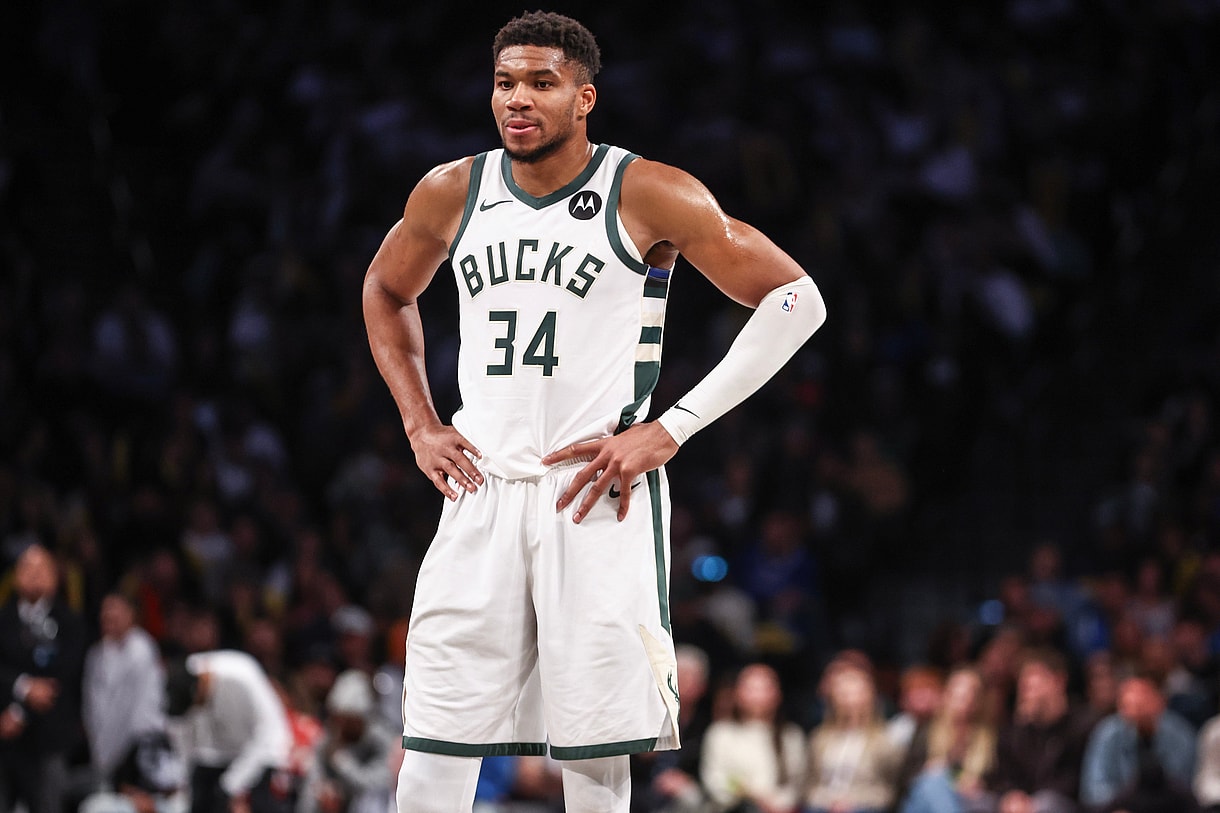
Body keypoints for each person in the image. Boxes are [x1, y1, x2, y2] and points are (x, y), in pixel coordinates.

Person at [361, 11, 825, 813]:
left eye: (541, 83)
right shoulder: (452, 190)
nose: (518, 99)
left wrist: (671, 428)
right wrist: (419, 422)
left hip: (593, 494)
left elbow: (796, 298)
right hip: (480, 488)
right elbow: (385, 287)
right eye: (505, 82)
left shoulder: (645, 190)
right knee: (433, 742)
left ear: (584, 98)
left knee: (594, 754)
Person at [0, 543, 88, 813]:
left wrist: (20, 712)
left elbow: (64, 675)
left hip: (49, 737)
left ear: (55, 577)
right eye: (28, 567)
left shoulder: (71, 622)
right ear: (15, 576)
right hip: (4, 733)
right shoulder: (3, 620)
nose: (35, 574)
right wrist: (21, 688)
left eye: (42, 568)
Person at [164, 649, 295, 813]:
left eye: (197, 701)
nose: (197, 707)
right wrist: (183, 792)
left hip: (259, 756)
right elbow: (182, 740)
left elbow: (271, 733)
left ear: (201, 683)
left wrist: (233, 784)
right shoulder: (180, 679)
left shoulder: (241, 674)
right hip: (213, 758)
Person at [987, 648, 1094, 813]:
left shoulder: (1083, 726)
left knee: (1046, 804)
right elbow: (1002, 776)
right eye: (1022, 685)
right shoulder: (1015, 731)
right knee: (980, 803)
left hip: (1064, 804)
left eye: (1032, 685)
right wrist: (1012, 795)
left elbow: (1076, 781)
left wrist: (1030, 802)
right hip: (1021, 804)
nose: (1025, 693)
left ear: (1059, 681)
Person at [1079, 672, 1198, 813]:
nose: (1136, 709)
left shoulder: (1181, 735)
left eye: (1143, 701)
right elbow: (1094, 790)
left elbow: (1188, 785)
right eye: (1129, 704)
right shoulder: (1107, 734)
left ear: (1160, 701)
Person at [82, 592, 167, 790]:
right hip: (103, 744)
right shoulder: (96, 654)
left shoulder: (142, 649)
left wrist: (123, 751)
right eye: (105, 610)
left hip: (139, 744)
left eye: (115, 609)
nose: (109, 614)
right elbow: (91, 703)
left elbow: (137, 706)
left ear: (131, 614)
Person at [698, 663, 806, 813]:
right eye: (750, 689)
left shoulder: (791, 736)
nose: (757, 696)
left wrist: (776, 803)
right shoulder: (720, 733)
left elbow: (797, 783)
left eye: (763, 689)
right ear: (737, 693)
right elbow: (715, 779)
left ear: (777, 694)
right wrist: (748, 795)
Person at [804, 662, 901, 813]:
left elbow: (890, 788)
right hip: (823, 806)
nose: (851, 700)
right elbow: (811, 784)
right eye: (844, 693)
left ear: (870, 696)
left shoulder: (884, 740)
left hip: (866, 807)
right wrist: (829, 802)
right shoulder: (820, 738)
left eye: (857, 692)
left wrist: (853, 803)